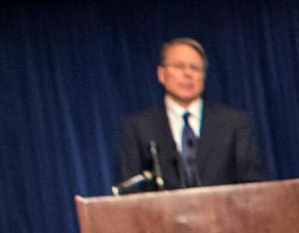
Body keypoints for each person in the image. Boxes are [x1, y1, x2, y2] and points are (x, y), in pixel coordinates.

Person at [114, 38, 269, 191]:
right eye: (179, 66)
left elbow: (252, 185)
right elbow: (130, 191)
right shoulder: (138, 128)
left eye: (195, 68)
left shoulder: (234, 123)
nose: (188, 73)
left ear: (204, 75)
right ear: (161, 74)